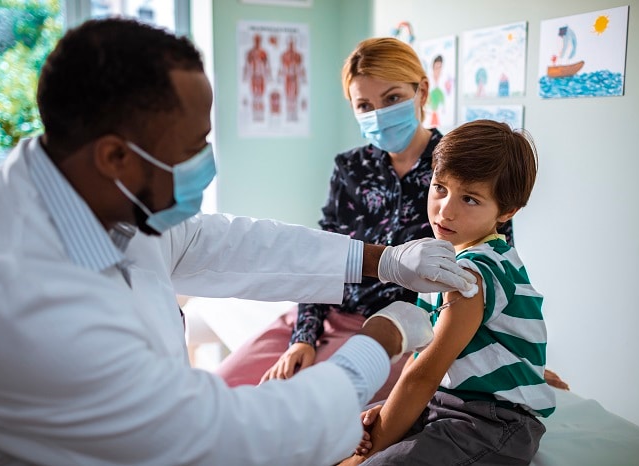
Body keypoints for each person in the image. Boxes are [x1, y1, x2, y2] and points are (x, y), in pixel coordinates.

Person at [0, 19, 481, 466]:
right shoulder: (20, 299)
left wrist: (384, 261)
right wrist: (380, 341)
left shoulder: (92, 190)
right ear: (115, 158)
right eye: (194, 147)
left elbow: (218, 243)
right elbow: (224, 439)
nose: (206, 160)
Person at [217, 37, 512, 403]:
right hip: (324, 312)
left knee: (289, 408)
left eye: (391, 99)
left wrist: (509, 355)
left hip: (398, 331)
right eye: (364, 105)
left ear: (422, 91)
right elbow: (320, 255)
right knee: (223, 390)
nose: (379, 114)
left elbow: (491, 270)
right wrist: (303, 337)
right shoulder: (350, 168)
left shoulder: (461, 170)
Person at [340, 120, 556, 466]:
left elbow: (423, 374)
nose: (446, 209)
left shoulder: (475, 272)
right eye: (440, 187)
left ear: (508, 211)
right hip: (444, 403)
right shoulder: (444, 260)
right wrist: (394, 415)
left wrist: (368, 451)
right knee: (339, 435)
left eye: (470, 198)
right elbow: (428, 369)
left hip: (490, 423)